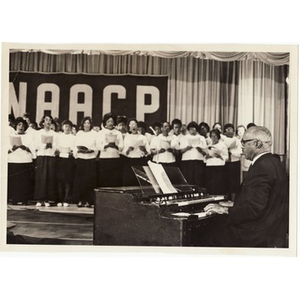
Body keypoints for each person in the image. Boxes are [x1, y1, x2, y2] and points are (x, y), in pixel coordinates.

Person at [203, 126, 289, 248]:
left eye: (244, 142)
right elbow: (263, 201)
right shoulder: (274, 162)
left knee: (207, 234)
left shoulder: (262, 167)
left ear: (257, 144)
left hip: (257, 235)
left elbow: (253, 209)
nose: (241, 145)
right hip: (272, 232)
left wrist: (224, 209)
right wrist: (235, 203)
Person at [7, 117, 36, 205]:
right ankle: (15, 198)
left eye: (23, 125)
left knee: (25, 181)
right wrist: (13, 148)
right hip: (14, 160)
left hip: (25, 160)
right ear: (15, 126)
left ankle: (24, 199)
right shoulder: (11, 136)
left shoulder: (29, 136)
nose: (21, 126)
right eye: (19, 124)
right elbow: (6, 149)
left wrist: (26, 148)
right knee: (15, 181)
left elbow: (33, 148)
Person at [73, 116, 98, 207]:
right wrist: (79, 151)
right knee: (80, 181)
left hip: (90, 159)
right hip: (81, 159)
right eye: (85, 123)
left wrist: (91, 150)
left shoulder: (94, 134)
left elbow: (97, 146)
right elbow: (75, 145)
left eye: (88, 123)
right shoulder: (79, 133)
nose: (87, 125)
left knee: (89, 181)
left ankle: (89, 201)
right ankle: (80, 200)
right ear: (82, 124)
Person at [34, 115, 58, 207]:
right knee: (40, 178)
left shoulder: (54, 133)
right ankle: (40, 199)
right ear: (43, 122)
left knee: (49, 177)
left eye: (50, 120)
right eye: (46, 120)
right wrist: (44, 146)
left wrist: (52, 146)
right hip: (41, 156)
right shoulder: (38, 133)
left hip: (50, 156)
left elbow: (56, 145)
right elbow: (36, 145)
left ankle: (47, 199)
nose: (48, 122)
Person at [97, 112, 124, 187]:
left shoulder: (118, 133)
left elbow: (122, 146)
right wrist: (106, 146)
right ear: (105, 122)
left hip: (115, 158)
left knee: (115, 179)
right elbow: (98, 145)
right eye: (108, 121)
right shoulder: (101, 132)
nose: (110, 123)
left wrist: (116, 146)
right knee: (104, 178)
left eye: (112, 121)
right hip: (104, 158)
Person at [122, 122, 150, 186]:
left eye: (135, 125)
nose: (133, 126)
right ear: (129, 128)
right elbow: (124, 151)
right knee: (130, 180)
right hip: (130, 161)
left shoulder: (143, 137)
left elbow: (148, 151)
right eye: (131, 125)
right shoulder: (127, 137)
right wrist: (128, 150)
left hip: (140, 161)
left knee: (141, 180)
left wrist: (144, 150)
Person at [180, 121, 207, 188]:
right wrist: (187, 148)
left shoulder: (201, 138)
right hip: (187, 161)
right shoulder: (184, 138)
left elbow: (205, 152)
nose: (193, 131)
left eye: (194, 129)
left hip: (198, 161)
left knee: (198, 180)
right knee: (188, 179)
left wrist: (200, 150)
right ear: (188, 129)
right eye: (191, 129)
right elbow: (181, 151)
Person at [56, 120, 76, 207]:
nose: (67, 128)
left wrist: (72, 152)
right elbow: (56, 147)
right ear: (62, 127)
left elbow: (75, 148)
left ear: (71, 128)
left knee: (68, 180)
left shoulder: (74, 137)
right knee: (60, 180)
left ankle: (66, 199)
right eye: (65, 126)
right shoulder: (59, 136)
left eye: (69, 126)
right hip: (60, 159)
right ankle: (60, 199)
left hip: (69, 160)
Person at [204, 129, 228, 195]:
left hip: (219, 167)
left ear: (218, 137)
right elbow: (205, 159)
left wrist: (220, 156)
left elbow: (226, 157)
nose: (213, 138)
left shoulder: (223, 145)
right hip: (209, 167)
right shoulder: (208, 145)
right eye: (212, 136)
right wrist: (207, 157)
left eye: (215, 136)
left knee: (218, 186)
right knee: (210, 186)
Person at [222, 123, 243, 200]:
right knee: (225, 182)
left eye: (231, 130)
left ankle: (234, 200)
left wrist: (231, 153)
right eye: (228, 130)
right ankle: (226, 199)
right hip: (225, 163)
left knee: (234, 182)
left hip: (235, 163)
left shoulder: (237, 140)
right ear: (224, 132)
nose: (230, 131)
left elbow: (240, 153)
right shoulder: (222, 140)